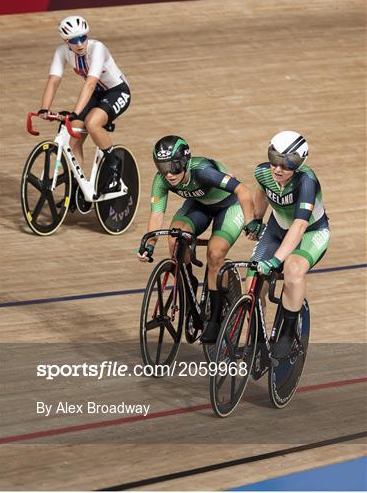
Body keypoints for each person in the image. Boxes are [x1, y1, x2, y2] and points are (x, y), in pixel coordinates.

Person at [138, 135, 258, 343]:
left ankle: (215, 319)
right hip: (199, 204)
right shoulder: (162, 179)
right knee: (175, 237)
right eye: (163, 167)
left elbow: (243, 190)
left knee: (214, 253)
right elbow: (157, 214)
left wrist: (250, 221)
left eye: (174, 166)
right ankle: (188, 282)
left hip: (228, 207)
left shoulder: (203, 171)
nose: (169, 174)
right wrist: (149, 245)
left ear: (184, 162)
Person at [245, 130, 330, 356]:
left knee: (292, 269)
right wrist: (256, 219)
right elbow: (261, 192)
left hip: (310, 232)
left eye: (287, 164)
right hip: (277, 228)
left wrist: (276, 260)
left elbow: (300, 226)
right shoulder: (262, 173)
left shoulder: (306, 182)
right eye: (274, 161)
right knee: (253, 282)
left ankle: (288, 334)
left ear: (299, 164)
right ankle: (257, 338)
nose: (278, 169)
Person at [38, 15, 131, 195]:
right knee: (74, 133)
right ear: (66, 41)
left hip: (117, 91)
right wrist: (44, 108)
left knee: (92, 123)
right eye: (74, 40)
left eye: (83, 37)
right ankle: (79, 186)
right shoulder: (61, 52)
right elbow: (53, 81)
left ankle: (114, 165)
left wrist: (75, 112)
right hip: (97, 93)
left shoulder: (98, 48)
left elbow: (89, 83)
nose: (80, 44)